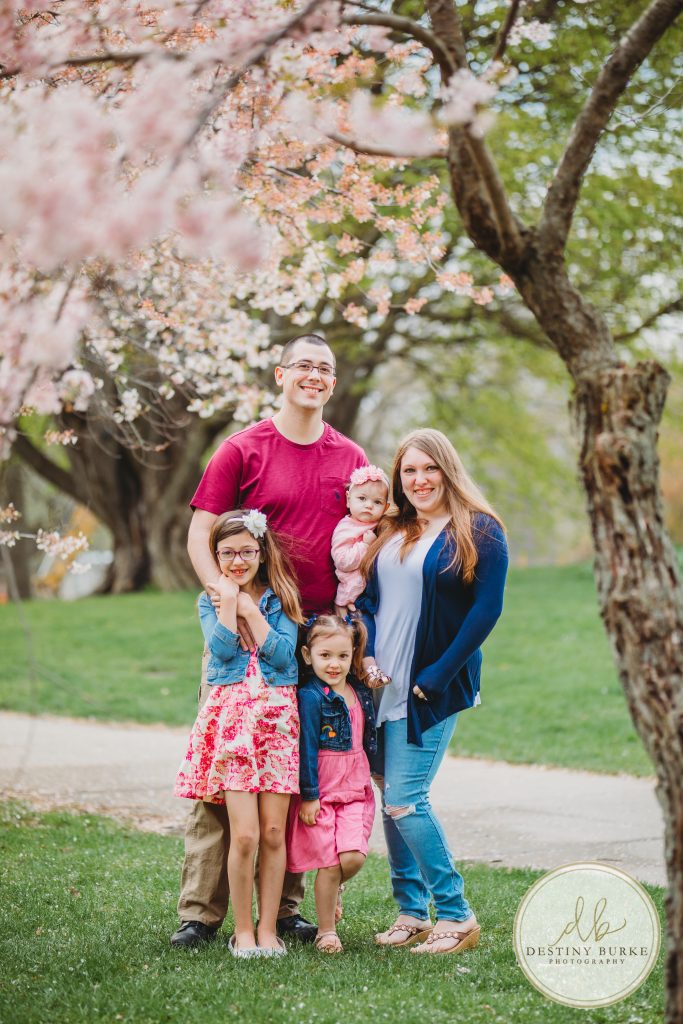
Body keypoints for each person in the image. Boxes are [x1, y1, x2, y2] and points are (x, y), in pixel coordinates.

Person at [171, 333, 368, 948]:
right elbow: (200, 530)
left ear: (332, 384)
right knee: (224, 768)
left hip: (311, 635)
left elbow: (367, 527)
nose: (314, 375)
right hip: (240, 628)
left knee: (290, 772)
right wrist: (222, 598)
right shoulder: (243, 449)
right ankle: (201, 913)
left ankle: (282, 910)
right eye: (303, 365)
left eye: (325, 369)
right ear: (281, 375)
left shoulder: (349, 455)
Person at [359, 428, 508, 955]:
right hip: (381, 683)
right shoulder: (394, 529)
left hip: (430, 687)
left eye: (429, 469)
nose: (419, 480)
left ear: (447, 469)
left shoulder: (480, 530)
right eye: (409, 471)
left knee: (406, 799)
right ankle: (410, 912)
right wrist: (369, 656)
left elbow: (486, 610)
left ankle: (456, 913)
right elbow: (369, 603)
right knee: (390, 797)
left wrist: (438, 675)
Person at [174, 509, 303, 957]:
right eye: (227, 553)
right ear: (216, 556)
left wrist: (252, 608)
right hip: (233, 725)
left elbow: (286, 658)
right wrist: (230, 604)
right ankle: (243, 932)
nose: (237, 561)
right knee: (243, 833)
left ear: (262, 552)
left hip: (278, 725)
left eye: (247, 551)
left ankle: (269, 930)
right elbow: (221, 648)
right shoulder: (208, 600)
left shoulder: (283, 598)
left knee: (272, 832)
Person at [286, 615, 377, 954]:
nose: (334, 664)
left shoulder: (359, 689)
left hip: (354, 787)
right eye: (325, 656)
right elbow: (306, 747)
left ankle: (333, 887)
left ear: (353, 655)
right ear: (308, 656)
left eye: (342, 655)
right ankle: (327, 931)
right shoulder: (310, 697)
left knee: (351, 857)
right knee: (328, 860)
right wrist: (309, 796)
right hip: (321, 790)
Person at [331, 464, 390, 608]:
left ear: (386, 508)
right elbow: (342, 561)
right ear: (348, 499)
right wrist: (365, 546)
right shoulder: (346, 528)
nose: (369, 505)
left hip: (378, 593)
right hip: (352, 595)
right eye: (362, 498)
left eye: (377, 502)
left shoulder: (383, 525)